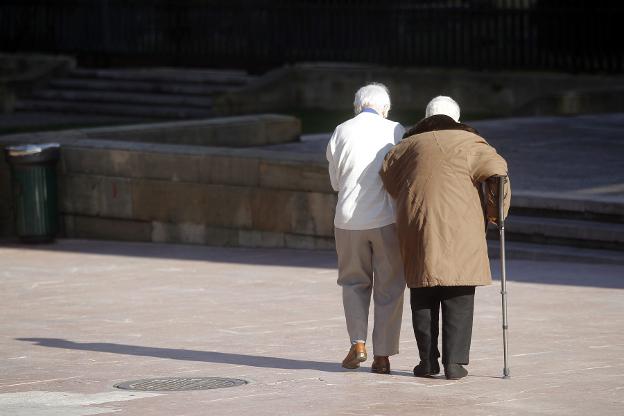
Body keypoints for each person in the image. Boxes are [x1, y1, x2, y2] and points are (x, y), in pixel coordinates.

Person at [380, 96, 511, 380]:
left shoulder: (406, 146)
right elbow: (498, 171)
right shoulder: (472, 143)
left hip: (419, 228)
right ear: (457, 117)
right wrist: (496, 213)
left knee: (423, 292)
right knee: (459, 293)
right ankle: (455, 363)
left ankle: (427, 362)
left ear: (426, 117)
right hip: (462, 231)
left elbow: (388, 179)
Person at [326, 83, 406, 374]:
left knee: (352, 283)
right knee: (390, 287)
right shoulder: (396, 130)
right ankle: (382, 356)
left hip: (348, 220)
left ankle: (358, 344)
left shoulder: (341, 130)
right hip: (385, 220)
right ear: (385, 108)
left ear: (357, 106)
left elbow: (335, 181)